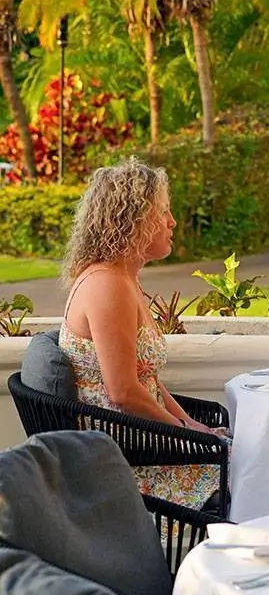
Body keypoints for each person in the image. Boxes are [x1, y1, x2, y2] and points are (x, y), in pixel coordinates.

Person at [59, 156, 228, 510]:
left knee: (245, 457)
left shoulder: (124, 279)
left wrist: (189, 422)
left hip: (142, 439)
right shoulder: (107, 285)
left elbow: (143, 378)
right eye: (163, 212)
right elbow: (122, 392)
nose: (173, 222)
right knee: (246, 472)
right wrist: (185, 437)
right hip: (125, 457)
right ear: (132, 220)